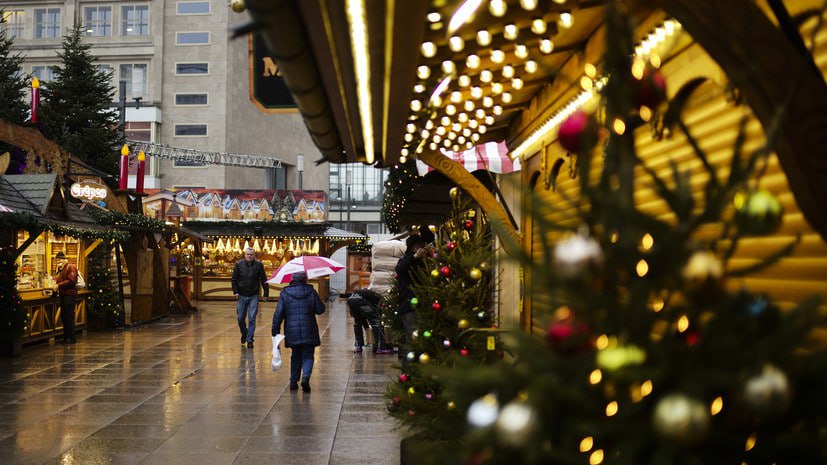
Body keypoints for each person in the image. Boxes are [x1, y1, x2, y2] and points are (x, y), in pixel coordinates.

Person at [272, 271, 326, 392]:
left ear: (292, 279)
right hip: (309, 328)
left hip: (292, 330)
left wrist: (275, 331)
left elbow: (278, 314)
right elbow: (320, 310)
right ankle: (305, 377)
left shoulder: (285, 293)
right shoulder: (311, 291)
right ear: (305, 279)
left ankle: (293, 381)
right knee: (308, 355)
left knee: (295, 355)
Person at [395, 235, 428, 359]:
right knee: (412, 339)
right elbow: (399, 269)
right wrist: (414, 257)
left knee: (417, 339)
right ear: (414, 247)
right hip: (409, 306)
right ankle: (408, 371)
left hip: (422, 305)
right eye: (420, 246)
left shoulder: (423, 262)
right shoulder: (406, 260)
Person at [231, 247, 269, 349]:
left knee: (252, 318)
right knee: (240, 319)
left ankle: (250, 339)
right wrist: (235, 291)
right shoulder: (239, 264)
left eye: (251, 254)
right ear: (245, 255)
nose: (249, 256)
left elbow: (264, 279)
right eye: (247, 254)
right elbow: (234, 279)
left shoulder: (259, 265)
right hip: (241, 295)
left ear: (254, 256)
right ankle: (244, 333)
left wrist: (266, 294)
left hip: (253, 295)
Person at [347, 288, 392, 354]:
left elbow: (363, 320)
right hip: (360, 300)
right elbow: (375, 316)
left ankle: (358, 346)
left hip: (351, 300)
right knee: (376, 322)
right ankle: (380, 347)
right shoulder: (380, 300)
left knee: (358, 322)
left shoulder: (371, 295)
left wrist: (367, 329)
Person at [53, 251, 78, 343]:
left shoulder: (71, 267)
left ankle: (71, 337)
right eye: (57, 260)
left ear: (64, 259)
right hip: (63, 295)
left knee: (69, 316)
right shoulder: (62, 268)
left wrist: (58, 285)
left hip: (69, 295)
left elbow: (71, 280)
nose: (57, 262)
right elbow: (60, 279)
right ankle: (66, 337)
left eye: (59, 260)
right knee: (64, 316)